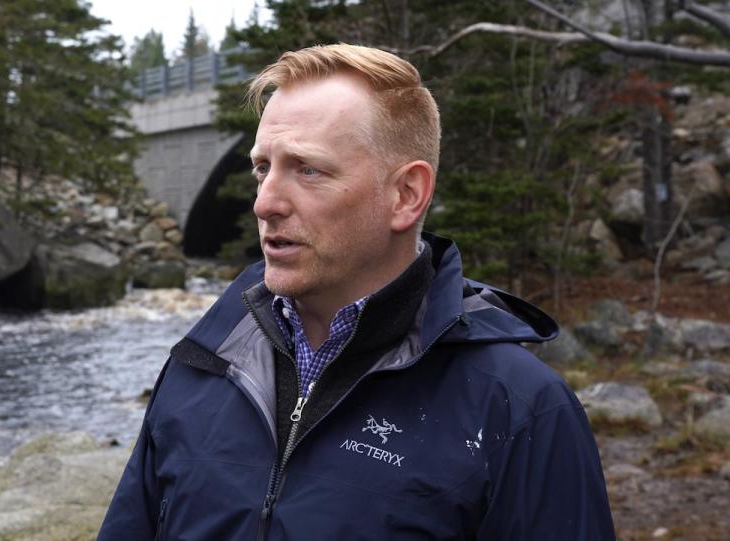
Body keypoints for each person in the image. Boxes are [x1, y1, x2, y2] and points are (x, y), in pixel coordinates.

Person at [98, 43, 615, 540]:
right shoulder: (202, 363)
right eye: (262, 168)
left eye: (307, 169)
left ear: (405, 195)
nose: (265, 202)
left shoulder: (517, 409)